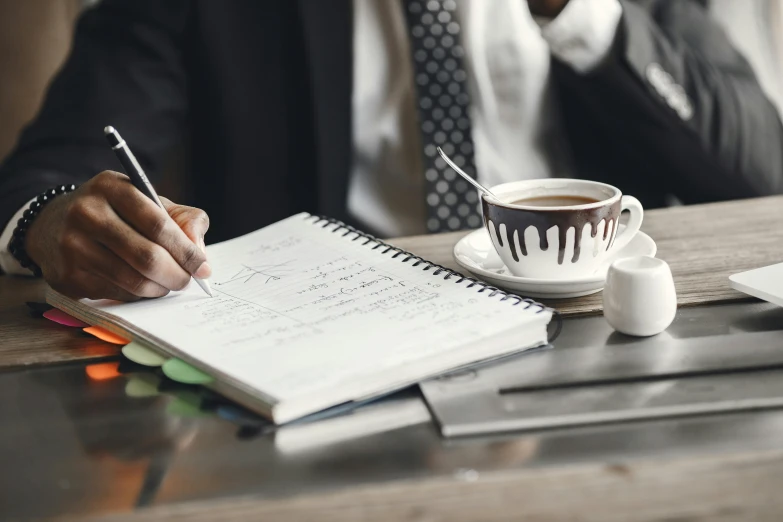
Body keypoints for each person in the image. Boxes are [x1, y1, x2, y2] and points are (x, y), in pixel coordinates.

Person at [0, 0, 781, 301]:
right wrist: (47, 220)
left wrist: (580, 13)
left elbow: (758, 169)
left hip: (588, 322)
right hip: (319, 336)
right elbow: (43, 178)